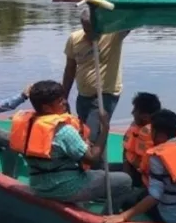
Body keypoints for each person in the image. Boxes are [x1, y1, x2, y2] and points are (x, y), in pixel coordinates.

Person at [9, 80, 137, 207]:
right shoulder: (64, 131)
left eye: (63, 98)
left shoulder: (28, 125)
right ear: (47, 107)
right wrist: (105, 129)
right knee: (125, 180)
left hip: (38, 185)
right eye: (60, 101)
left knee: (99, 174)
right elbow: (92, 159)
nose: (64, 102)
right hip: (65, 188)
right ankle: (108, 219)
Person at [102, 109, 176, 223]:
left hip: (172, 217)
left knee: (123, 197)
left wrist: (124, 216)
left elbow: (155, 196)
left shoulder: (157, 158)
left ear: (157, 133)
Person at [61, 7, 130, 152]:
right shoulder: (75, 39)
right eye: (86, 29)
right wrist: (64, 96)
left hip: (104, 94)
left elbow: (130, 19)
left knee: (91, 136)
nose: (89, 33)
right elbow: (70, 69)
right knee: (86, 132)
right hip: (83, 95)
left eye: (93, 29)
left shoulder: (113, 34)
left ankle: (91, 170)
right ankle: (96, 168)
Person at [118, 92, 161, 187]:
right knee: (104, 172)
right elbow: (126, 149)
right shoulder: (136, 125)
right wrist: (127, 176)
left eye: (135, 110)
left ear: (145, 116)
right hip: (131, 169)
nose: (132, 113)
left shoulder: (159, 135)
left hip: (148, 182)